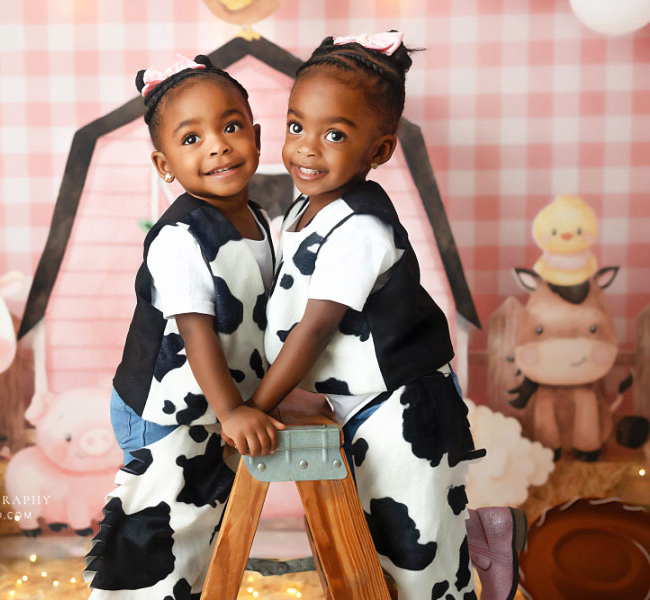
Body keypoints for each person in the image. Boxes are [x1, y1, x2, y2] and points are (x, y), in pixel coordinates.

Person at [250, 32, 489, 599]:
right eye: (296, 126)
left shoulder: (360, 230)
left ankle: (484, 548)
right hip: (354, 405)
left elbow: (314, 330)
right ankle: (488, 533)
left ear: (378, 152)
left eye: (334, 134)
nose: (307, 147)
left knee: (416, 554)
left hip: (403, 409)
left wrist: (256, 404)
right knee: (363, 539)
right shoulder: (303, 211)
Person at [84, 53, 284, 599]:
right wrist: (234, 409)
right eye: (191, 139)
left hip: (212, 404)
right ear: (164, 164)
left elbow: (257, 325)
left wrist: (273, 396)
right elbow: (197, 332)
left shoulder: (262, 220)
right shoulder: (180, 238)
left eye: (231, 126)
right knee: (162, 529)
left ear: (257, 136)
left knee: (202, 522)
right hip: (165, 407)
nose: (217, 144)